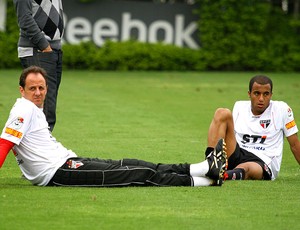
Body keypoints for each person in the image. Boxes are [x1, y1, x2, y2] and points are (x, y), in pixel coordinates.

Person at [0, 66, 227, 187]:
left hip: (68, 162)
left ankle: (203, 168)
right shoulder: (23, 109)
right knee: (138, 174)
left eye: (41, 87)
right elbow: (5, 143)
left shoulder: (33, 109)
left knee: (133, 164)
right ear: (22, 90)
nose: (38, 92)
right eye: (33, 88)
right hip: (57, 173)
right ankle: (204, 181)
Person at [205, 75, 300, 181]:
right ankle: (210, 164)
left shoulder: (282, 110)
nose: (261, 99)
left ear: (271, 95)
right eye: (257, 93)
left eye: (266, 94)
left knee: (246, 168)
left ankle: (223, 175)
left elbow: (295, 145)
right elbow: (229, 136)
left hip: (263, 161)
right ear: (249, 94)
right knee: (221, 112)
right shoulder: (239, 106)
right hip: (239, 153)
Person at [13, 0, 64, 132]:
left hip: (52, 49)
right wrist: (44, 45)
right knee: (43, 107)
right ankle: (41, 148)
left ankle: (40, 146)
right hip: (38, 49)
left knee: (47, 105)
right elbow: (24, 19)